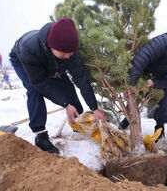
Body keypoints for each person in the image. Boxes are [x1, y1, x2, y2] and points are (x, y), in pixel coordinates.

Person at [9, 18, 106, 154]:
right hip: (22, 59)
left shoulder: (70, 54)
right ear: (51, 45)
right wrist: (65, 104)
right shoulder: (29, 48)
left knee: (67, 85)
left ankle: (76, 120)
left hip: (52, 61)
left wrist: (94, 108)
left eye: (70, 54)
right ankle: (40, 134)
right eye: (63, 53)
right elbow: (40, 82)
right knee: (34, 90)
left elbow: (81, 79)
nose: (67, 57)